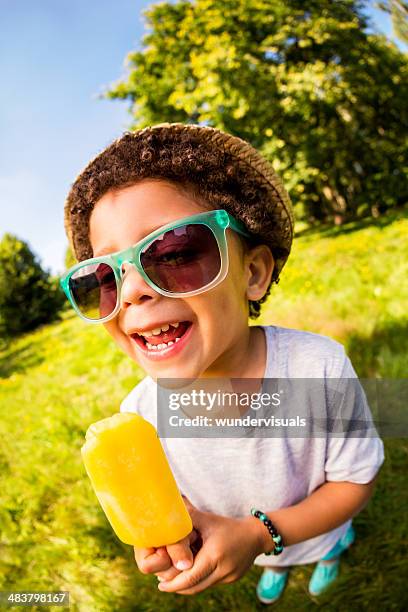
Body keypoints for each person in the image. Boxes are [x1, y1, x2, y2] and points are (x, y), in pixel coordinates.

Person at [62, 123, 384, 604]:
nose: (132, 292)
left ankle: (327, 555)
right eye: (105, 278)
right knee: (273, 558)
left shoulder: (317, 368)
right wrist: (173, 534)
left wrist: (259, 536)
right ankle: (275, 562)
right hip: (245, 541)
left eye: (173, 251)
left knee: (320, 544)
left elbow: (354, 480)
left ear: (252, 273)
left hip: (319, 526)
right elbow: (175, 502)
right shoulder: (141, 418)